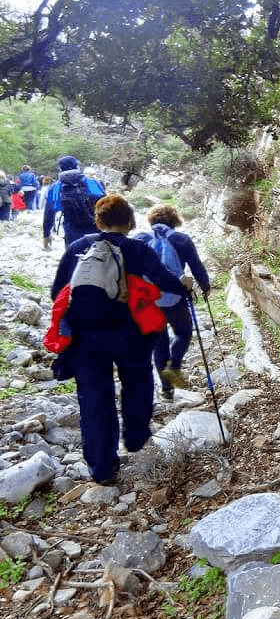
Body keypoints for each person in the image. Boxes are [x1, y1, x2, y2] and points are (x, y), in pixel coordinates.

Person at [50, 195, 193, 485]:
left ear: (97, 221)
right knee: (137, 382)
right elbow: (164, 281)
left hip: (84, 336)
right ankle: (137, 437)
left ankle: (102, 469)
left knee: (94, 400)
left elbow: (57, 292)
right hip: (130, 332)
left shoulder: (78, 247)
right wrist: (185, 286)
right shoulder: (136, 248)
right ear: (130, 223)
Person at [135, 204, 211, 400]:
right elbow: (196, 265)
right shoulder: (182, 240)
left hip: (149, 300)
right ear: (175, 221)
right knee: (184, 333)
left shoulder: (140, 239)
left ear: (151, 220)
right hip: (175, 298)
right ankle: (174, 365)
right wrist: (205, 286)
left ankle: (166, 388)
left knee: (158, 343)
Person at [43, 155, 106, 249]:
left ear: (60, 169)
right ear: (78, 167)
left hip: (72, 230)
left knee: (74, 259)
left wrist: (46, 235)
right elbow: (106, 204)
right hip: (95, 228)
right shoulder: (92, 182)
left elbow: (49, 213)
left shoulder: (55, 187)